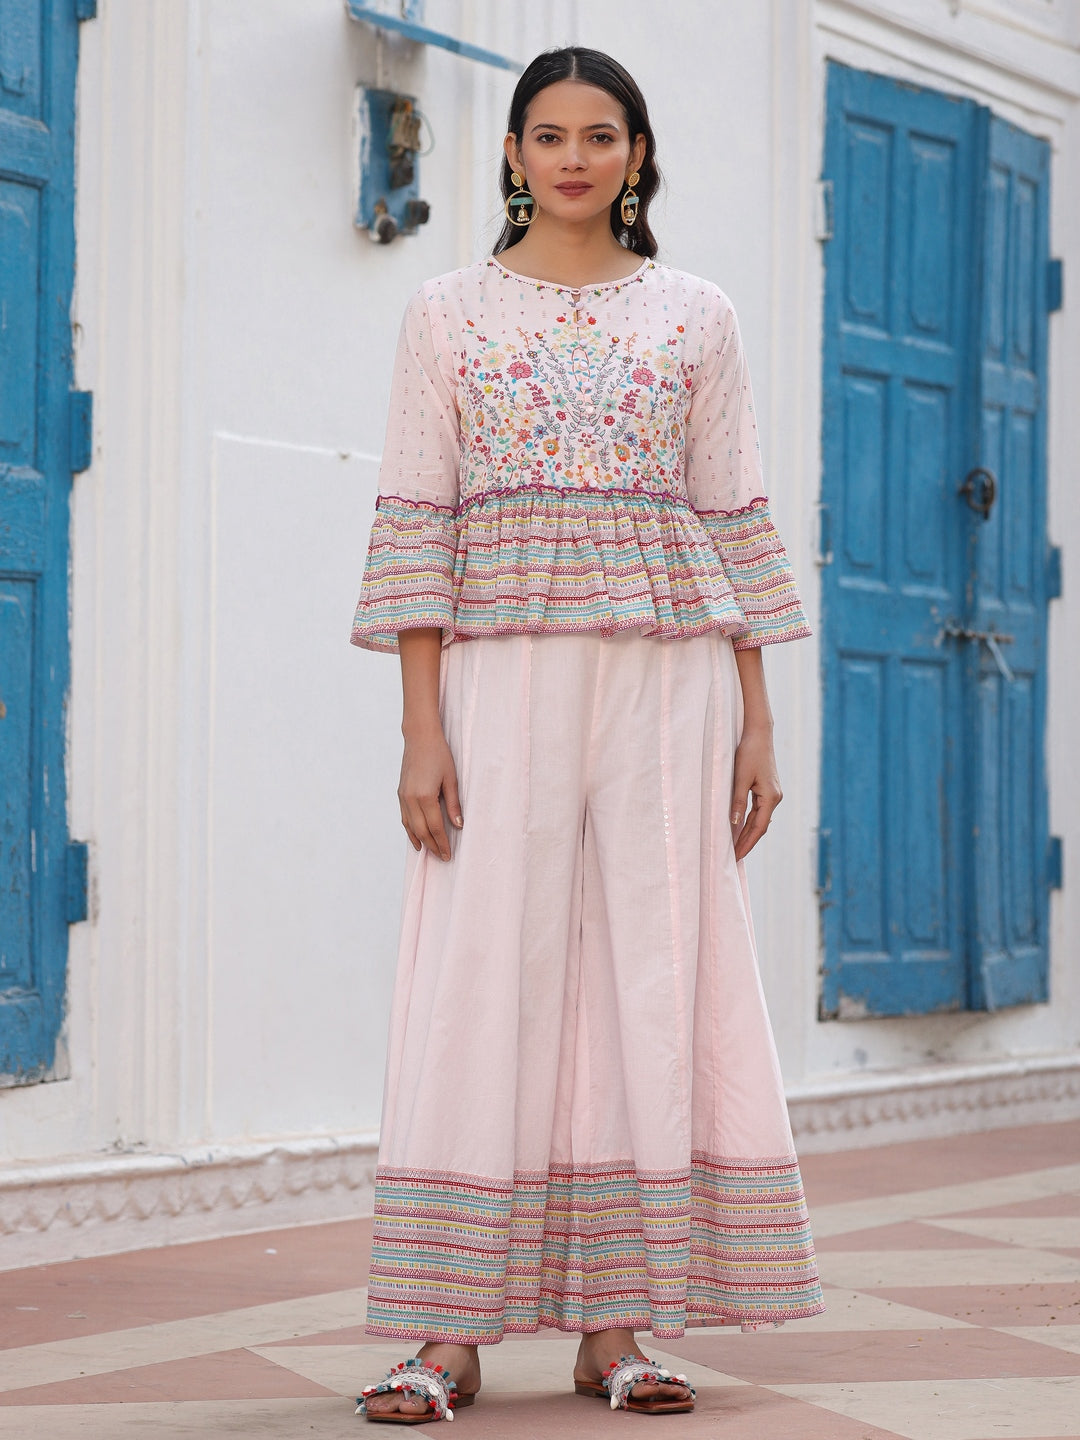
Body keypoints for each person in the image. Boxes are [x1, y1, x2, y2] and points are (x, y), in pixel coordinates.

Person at [349, 45, 824, 1425]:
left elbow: (731, 513)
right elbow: (418, 519)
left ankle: (618, 1326)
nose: (573, 157)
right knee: (482, 966)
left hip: (670, 679)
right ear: (511, 154)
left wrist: (757, 721)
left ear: (636, 154)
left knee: (651, 968)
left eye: (600, 134)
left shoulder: (696, 316)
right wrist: (420, 729)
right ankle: (447, 1335)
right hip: (498, 675)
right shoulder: (446, 313)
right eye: (548, 135)